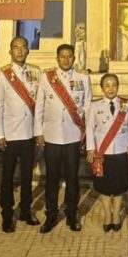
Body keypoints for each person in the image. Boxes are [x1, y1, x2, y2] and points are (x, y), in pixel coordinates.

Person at [35, 43, 90, 232]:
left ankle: (72, 214)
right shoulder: (47, 77)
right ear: (57, 58)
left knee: (72, 178)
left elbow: (88, 108)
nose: (66, 60)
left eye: (69, 56)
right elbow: (39, 107)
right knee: (51, 178)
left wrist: (88, 135)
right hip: (51, 136)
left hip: (73, 135)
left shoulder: (83, 78)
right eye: (62, 56)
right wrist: (38, 133)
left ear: (74, 58)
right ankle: (51, 215)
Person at [0, 36, 41, 233]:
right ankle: (6, 213)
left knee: (27, 175)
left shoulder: (36, 72)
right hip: (10, 134)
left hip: (29, 133)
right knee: (7, 177)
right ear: (10, 51)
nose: (19, 51)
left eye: (23, 47)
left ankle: (25, 210)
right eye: (16, 48)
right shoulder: (2, 74)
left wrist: (39, 132)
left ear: (28, 50)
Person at [86, 73, 128, 231]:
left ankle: (116, 216)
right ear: (101, 88)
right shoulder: (95, 106)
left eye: (114, 85)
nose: (111, 88)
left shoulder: (125, 103)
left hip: (121, 150)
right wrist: (91, 149)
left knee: (119, 185)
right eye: (107, 85)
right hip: (103, 152)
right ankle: (108, 215)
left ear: (118, 86)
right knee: (104, 186)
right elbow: (90, 128)